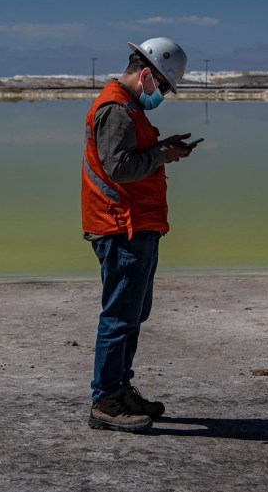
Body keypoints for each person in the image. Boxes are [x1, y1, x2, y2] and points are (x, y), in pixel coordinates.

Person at [81, 37, 194, 433]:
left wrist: (163, 148)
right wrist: (163, 155)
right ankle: (106, 401)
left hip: (135, 225)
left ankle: (120, 388)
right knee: (119, 317)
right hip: (120, 226)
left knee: (132, 314)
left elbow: (129, 158)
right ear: (146, 74)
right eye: (161, 86)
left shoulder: (128, 107)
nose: (161, 94)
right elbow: (119, 168)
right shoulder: (116, 109)